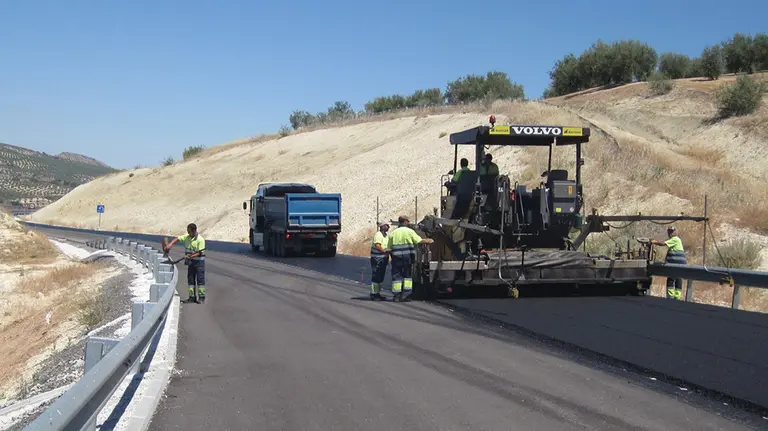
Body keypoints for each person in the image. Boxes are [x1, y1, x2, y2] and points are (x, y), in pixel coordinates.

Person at [386, 216, 434, 302]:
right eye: (407, 221)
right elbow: (418, 241)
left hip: (396, 258)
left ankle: (396, 295)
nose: (408, 223)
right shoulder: (410, 232)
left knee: (397, 276)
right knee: (407, 275)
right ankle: (405, 295)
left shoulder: (393, 233)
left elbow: (389, 248)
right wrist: (428, 240)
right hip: (407, 257)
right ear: (405, 222)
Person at [164, 223, 207, 303]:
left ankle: (201, 298)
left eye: (189, 231)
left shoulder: (200, 240)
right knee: (190, 280)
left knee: (200, 280)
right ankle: (192, 297)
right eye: (187, 231)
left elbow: (200, 253)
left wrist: (190, 256)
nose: (188, 233)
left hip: (199, 263)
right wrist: (170, 244)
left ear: (194, 231)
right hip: (191, 262)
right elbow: (177, 239)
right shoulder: (187, 237)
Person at [651, 226, 686, 300]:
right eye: (669, 231)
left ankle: (670, 297)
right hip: (679, 264)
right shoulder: (675, 240)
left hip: (676, 264)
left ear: (675, 232)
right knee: (678, 279)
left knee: (671, 278)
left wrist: (654, 242)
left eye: (671, 231)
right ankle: (677, 297)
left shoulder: (675, 239)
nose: (670, 233)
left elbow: (663, 244)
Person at [369, 222, 389, 301]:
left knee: (380, 277)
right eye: (385, 225)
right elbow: (378, 246)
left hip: (383, 258)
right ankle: (374, 294)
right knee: (376, 276)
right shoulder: (378, 235)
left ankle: (378, 293)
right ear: (381, 227)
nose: (387, 227)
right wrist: (384, 251)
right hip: (377, 258)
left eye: (387, 225)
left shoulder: (386, 236)